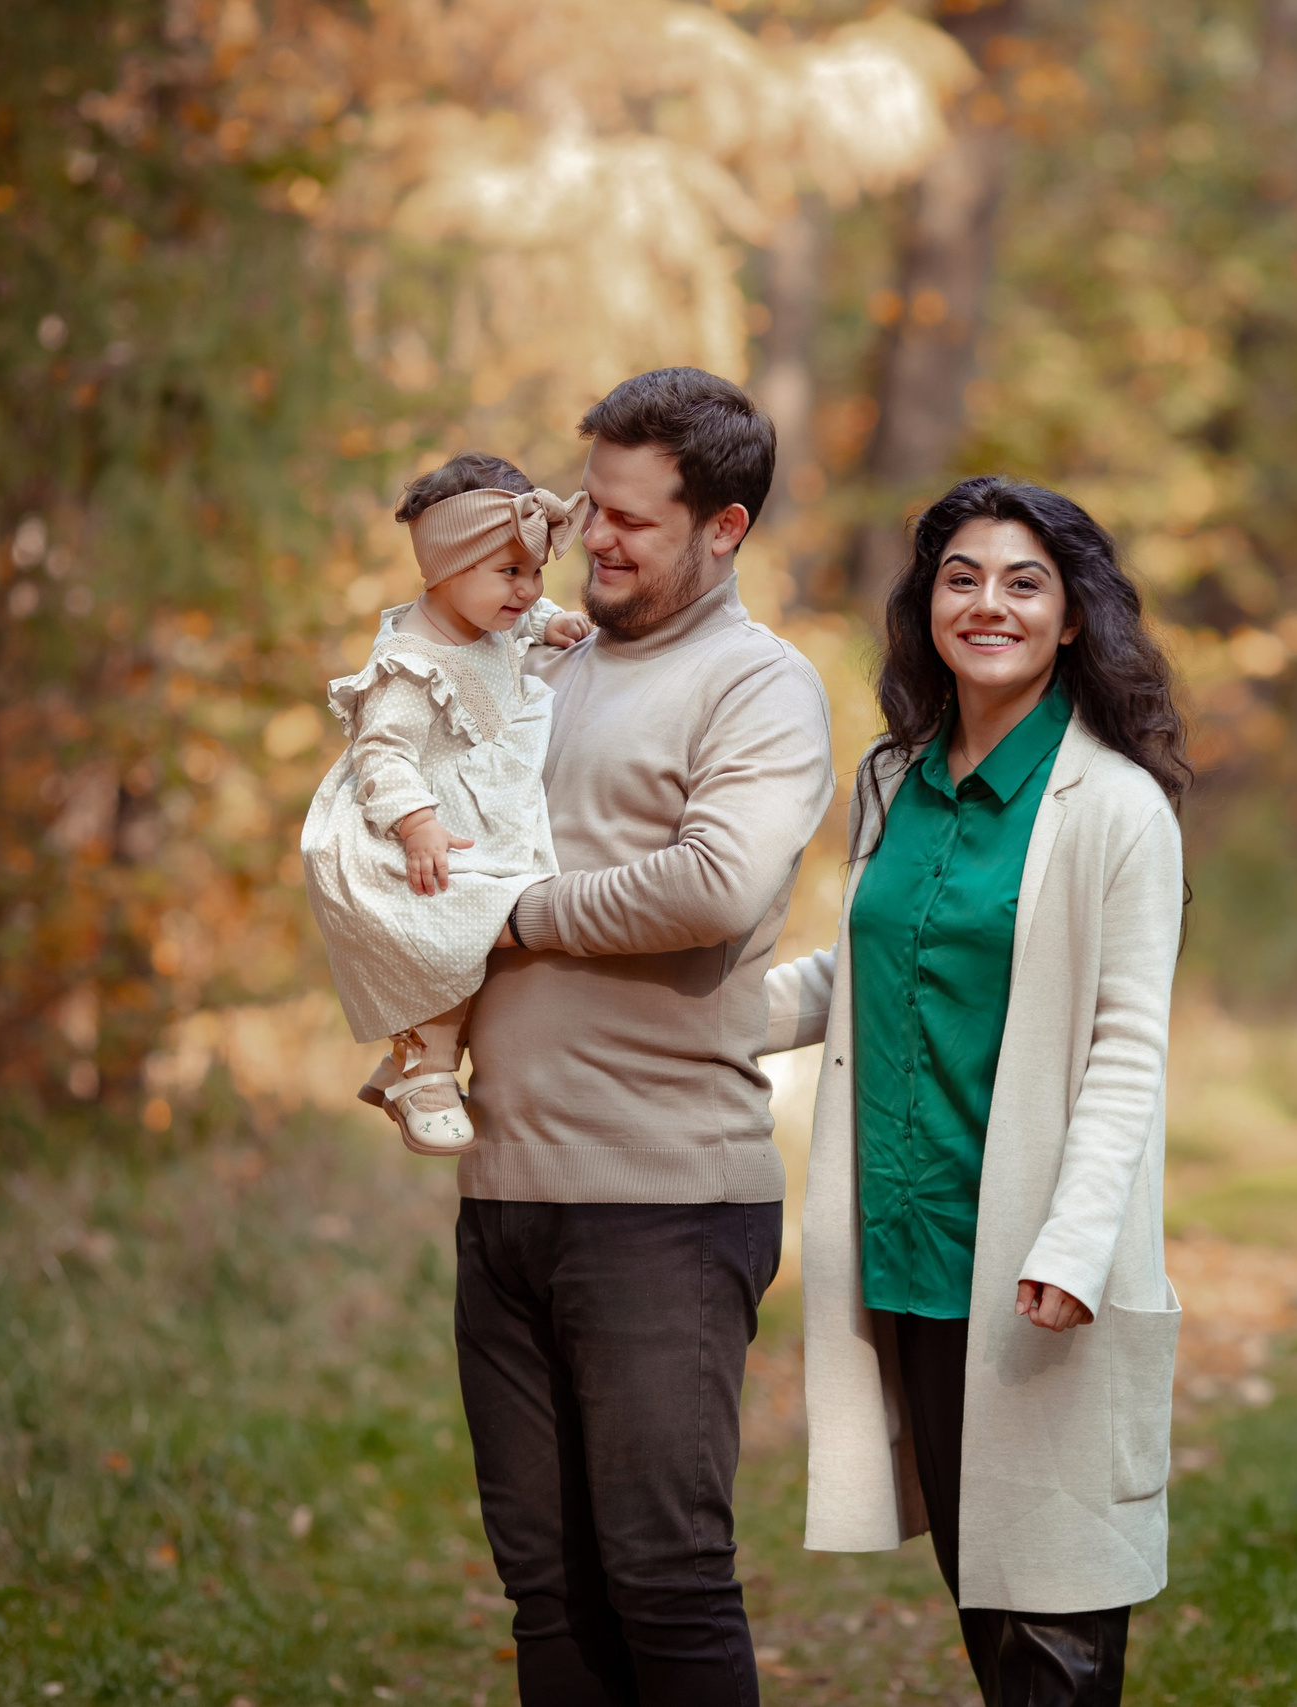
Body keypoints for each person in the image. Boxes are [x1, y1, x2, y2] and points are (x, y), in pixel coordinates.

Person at [765, 475, 1190, 1706]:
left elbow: (1126, 1046)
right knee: (985, 1605)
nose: (987, 604)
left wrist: (1072, 1241)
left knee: (1052, 1630)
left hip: (1034, 1263)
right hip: (908, 1248)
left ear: (1071, 620)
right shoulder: (891, 778)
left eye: (1023, 582)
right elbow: (873, 967)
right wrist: (688, 1015)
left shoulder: (1115, 807)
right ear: (927, 606)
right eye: (961, 577)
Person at [452, 370, 836, 1706]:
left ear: (723, 528)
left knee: (664, 1581)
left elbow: (713, 885)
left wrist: (511, 918)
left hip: (662, 1202)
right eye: (586, 510)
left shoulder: (759, 686)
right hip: (503, 1194)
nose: (594, 539)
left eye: (630, 519)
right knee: (550, 1592)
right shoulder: (537, 660)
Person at [300, 452, 591, 1154]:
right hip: (409, 826)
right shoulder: (410, 662)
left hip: (469, 808)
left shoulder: (486, 615)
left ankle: (413, 1052)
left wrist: (543, 623)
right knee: (456, 921)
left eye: (535, 572)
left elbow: (516, 619)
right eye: (510, 573)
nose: (527, 590)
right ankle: (424, 1073)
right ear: (445, 571)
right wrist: (417, 822)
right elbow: (383, 753)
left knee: (482, 926)